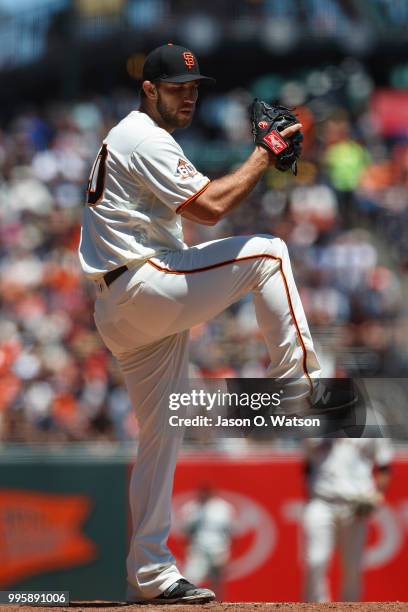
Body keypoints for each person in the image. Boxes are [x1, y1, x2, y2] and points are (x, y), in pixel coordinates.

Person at [78, 43, 320, 603]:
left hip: (124, 308)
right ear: (149, 90)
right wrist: (265, 153)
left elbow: (202, 205)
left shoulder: (135, 138)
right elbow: (211, 207)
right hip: (141, 285)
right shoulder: (143, 135)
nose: (188, 96)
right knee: (269, 253)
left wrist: (261, 154)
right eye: (176, 88)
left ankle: (153, 574)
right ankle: (303, 389)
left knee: (162, 435)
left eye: (194, 87)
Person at [302, 437, 393, 602]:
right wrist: (308, 494)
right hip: (321, 501)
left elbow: (384, 465)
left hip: (355, 505)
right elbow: (307, 464)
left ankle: (350, 606)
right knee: (316, 560)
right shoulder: (316, 422)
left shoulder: (371, 422)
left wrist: (378, 494)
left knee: (353, 567)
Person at [180, 485, 236, 598]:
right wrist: (188, 548)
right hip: (198, 549)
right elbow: (185, 532)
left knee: (216, 580)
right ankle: (188, 605)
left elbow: (231, 532)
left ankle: (218, 606)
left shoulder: (223, 508)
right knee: (191, 577)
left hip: (219, 549)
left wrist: (227, 553)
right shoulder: (191, 508)